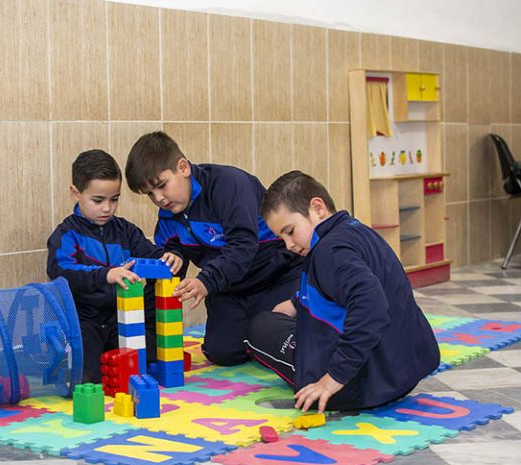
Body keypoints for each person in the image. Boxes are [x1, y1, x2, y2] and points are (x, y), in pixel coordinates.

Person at [250, 170, 440, 413]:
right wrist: (297, 303)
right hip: (403, 371)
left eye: (289, 231)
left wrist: (333, 379)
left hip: (358, 385)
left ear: (317, 208)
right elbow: (344, 286)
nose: (289, 245)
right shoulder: (355, 230)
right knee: (282, 317)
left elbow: (371, 307)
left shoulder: (328, 251)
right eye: (281, 238)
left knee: (259, 327)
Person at [124, 131, 303, 367]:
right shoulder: (168, 217)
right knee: (222, 352)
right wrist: (175, 258)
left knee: (275, 332)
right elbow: (167, 266)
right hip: (232, 289)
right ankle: (259, 334)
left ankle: (276, 328)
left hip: (277, 276)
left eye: (162, 186)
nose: (159, 198)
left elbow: (242, 246)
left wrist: (205, 281)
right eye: (150, 194)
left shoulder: (228, 185)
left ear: (183, 167)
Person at [47, 149, 183, 383]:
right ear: (75, 193)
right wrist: (105, 275)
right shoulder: (67, 234)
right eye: (98, 200)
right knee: (86, 376)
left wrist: (170, 257)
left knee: (148, 359)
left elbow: (150, 253)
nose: (107, 208)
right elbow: (61, 273)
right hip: (85, 319)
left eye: (114, 199)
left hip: (121, 317)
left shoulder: (125, 231)